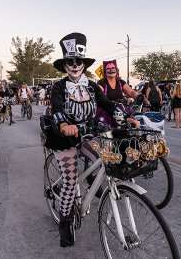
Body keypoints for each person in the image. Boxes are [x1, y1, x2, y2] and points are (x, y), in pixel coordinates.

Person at [44, 32, 134, 248]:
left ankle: (92, 181)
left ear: (83, 65)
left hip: (87, 133)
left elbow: (108, 104)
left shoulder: (92, 86)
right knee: (70, 179)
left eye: (78, 62)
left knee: (102, 159)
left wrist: (126, 116)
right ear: (65, 65)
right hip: (63, 138)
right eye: (70, 62)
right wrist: (64, 125)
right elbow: (56, 109)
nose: (75, 65)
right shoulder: (59, 87)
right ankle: (65, 222)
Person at [96, 59, 139, 127]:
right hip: (106, 111)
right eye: (108, 68)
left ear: (116, 70)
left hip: (120, 110)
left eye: (113, 68)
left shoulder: (120, 82)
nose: (111, 70)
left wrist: (141, 97)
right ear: (104, 71)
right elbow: (99, 91)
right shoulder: (101, 83)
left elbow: (131, 92)